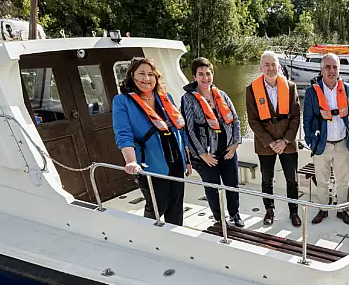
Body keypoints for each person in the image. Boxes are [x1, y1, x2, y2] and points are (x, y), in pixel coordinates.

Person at [112, 57, 191, 226]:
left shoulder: (165, 97)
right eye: (141, 74)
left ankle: (176, 237)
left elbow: (180, 129)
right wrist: (131, 161)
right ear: (132, 76)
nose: (146, 79)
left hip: (176, 161)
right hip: (151, 164)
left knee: (176, 207)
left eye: (151, 74)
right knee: (157, 205)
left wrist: (188, 160)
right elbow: (123, 134)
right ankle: (148, 235)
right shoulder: (122, 101)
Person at [181, 57, 244, 228]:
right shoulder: (188, 99)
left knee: (232, 186)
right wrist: (203, 155)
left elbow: (236, 121)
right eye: (200, 74)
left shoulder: (221, 95)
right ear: (194, 77)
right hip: (206, 155)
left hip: (228, 151)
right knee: (212, 188)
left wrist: (235, 145)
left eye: (208, 73)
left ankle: (235, 214)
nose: (205, 77)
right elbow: (189, 130)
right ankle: (219, 218)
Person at [246, 51, 302, 227]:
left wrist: (285, 141)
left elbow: (295, 116)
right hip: (265, 144)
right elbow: (253, 120)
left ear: (279, 67)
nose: (270, 68)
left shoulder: (290, 87)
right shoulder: (251, 90)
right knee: (266, 179)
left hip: (288, 142)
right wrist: (270, 142)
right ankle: (269, 210)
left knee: (292, 179)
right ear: (261, 67)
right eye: (267, 65)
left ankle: (294, 212)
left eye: (273, 65)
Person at [303, 53, 349, 225]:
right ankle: (323, 209)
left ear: (339, 69)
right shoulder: (312, 92)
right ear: (321, 69)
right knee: (321, 181)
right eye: (328, 67)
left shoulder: (348, 89)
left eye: (335, 67)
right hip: (321, 145)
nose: (331, 70)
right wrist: (311, 141)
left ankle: (342, 209)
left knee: (343, 181)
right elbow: (307, 120)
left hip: (342, 143)